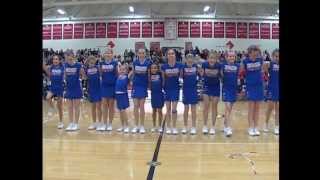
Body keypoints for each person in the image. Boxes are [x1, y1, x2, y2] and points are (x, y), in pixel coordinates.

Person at [242, 45, 265, 136]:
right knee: (251, 108)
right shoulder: (245, 61)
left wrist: (258, 48)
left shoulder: (260, 60)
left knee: (257, 108)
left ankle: (256, 127)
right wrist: (243, 88)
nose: (255, 55)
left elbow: (263, 70)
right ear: (249, 53)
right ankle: (250, 127)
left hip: (259, 85)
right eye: (253, 53)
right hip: (250, 86)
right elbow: (242, 74)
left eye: (256, 53)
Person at [161, 49, 183, 135]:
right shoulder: (164, 66)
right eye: (169, 54)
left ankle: (174, 127)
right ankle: (168, 126)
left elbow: (181, 77)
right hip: (167, 89)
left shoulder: (180, 65)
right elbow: (163, 79)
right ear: (167, 56)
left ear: (175, 55)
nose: (171, 55)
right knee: (168, 109)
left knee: (174, 109)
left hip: (175, 89)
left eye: (172, 53)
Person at [200, 52, 222, 135]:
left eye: (214, 58)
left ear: (216, 59)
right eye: (210, 58)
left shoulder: (219, 66)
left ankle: (213, 126)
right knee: (206, 106)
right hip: (206, 86)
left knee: (214, 107)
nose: (212, 60)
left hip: (216, 87)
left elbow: (221, 76)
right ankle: (205, 125)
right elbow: (202, 74)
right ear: (208, 58)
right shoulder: (204, 65)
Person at [64, 50, 85, 131]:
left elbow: (83, 76)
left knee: (76, 107)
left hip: (76, 88)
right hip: (69, 88)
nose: (67, 57)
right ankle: (70, 123)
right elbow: (65, 76)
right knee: (69, 107)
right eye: (66, 56)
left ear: (72, 56)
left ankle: (76, 123)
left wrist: (80, 79)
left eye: (69, 56)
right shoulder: (65, 65)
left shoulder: (78, 65)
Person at [131, 49, 151, 133]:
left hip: (143, 86)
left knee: (142, 106)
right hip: (136, 85)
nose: (141, 54)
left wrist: (149, 85)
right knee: (135, 105)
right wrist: (129, 80)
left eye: (143, 53)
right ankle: (136, 125)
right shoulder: (135, 62)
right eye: (140, 53)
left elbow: (149, 75)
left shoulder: (148, 63)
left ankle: (142, 126)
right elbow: (133, 73)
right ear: (137, 54)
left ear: (145, 54)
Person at [221, 51, 240, 137]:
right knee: (228, 107)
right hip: (226, 89)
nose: (231, 58)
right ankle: (228, 128)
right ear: (226, 57)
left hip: (233, 89)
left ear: (235, 57)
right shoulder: (223, 66)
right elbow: (220, 75)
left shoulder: (237, 66)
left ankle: (225, 124)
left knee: (229, 109)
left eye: (233, 56)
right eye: (230, 56)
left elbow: (239, 77)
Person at [42, 55, 64, 129]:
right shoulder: (51, 67)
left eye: (57, 59)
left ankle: (61, 122)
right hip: (53, 87)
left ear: (59, 60)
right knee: (47, 97)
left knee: (59, 106)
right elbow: (48, 73)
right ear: (52, 60)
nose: (55, 60)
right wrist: (44, 66)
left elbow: (65, 75)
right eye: (54, 59)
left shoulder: (62, 67)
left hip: (60, 88)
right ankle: (51, 108)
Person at [99, 49, 118, 131]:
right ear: (104, 54)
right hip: (104, 86)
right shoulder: (101, 63)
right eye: (106, 52)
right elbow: (100, 74)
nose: (107, 54)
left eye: (109, 53)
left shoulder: (115, 63)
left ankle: (110, 124)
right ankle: (104, 123)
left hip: (112, 86)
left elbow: (117, 74)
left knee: (111, 106)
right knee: (104, 106)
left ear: (112, 54)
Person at [181, 54, 199, 135]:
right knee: (186, 109)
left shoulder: (196, 67)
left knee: (193, 109)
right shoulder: (183, 67)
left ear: (193, 59)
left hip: (193, 90)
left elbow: (200, 75)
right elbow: (180, 77)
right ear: (186, 59)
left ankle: (193, 127)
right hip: (186, 90)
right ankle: (185, 126)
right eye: (188, 58)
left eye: (191, 58)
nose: (190, 59)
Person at [264, 49, 279, 135]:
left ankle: (277, 126)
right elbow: (264, 68)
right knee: (270, 107)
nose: (277, 58)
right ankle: (266, 123)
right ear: (273, 57)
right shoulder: (270, 64)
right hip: (272, 88)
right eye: (276, 56)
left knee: (278, 108)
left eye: (278, 56)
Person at [84, 56, 102, 130]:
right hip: (91, 90)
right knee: (93, 107)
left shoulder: (98, 68)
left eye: (93, 60)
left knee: (98, 107)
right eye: (90, 61)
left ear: (95, 61)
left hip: (98, 89)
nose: (91, 62)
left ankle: (100, 123)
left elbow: (101, 76)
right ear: (88, 62)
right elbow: (85, 77)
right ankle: (94, 123)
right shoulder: (86, 69)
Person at [115, 64, 130, 133]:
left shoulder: (126, 77)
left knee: (123, 111)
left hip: (123, 95)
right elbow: (117, 68)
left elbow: (132, 71)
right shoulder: (118, 77)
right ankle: (122, 125)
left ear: (126, 71)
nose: (122, 71)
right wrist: (118, 65)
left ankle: (127, 125)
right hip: (117, 95)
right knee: (120, 111)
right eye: (120, 69)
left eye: (124, 69)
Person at [150, 63, 164, 133]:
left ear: (157, 69)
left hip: (160, 94)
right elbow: (149, 86)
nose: (154, 69)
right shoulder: (149, 76)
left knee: (160, 111)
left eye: (155, 68)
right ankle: (154, 126)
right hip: (153, 95)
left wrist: (161, 71)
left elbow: (164, 81)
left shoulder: (160, 75)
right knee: (154, 111)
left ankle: (160, 126)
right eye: (152, 68)